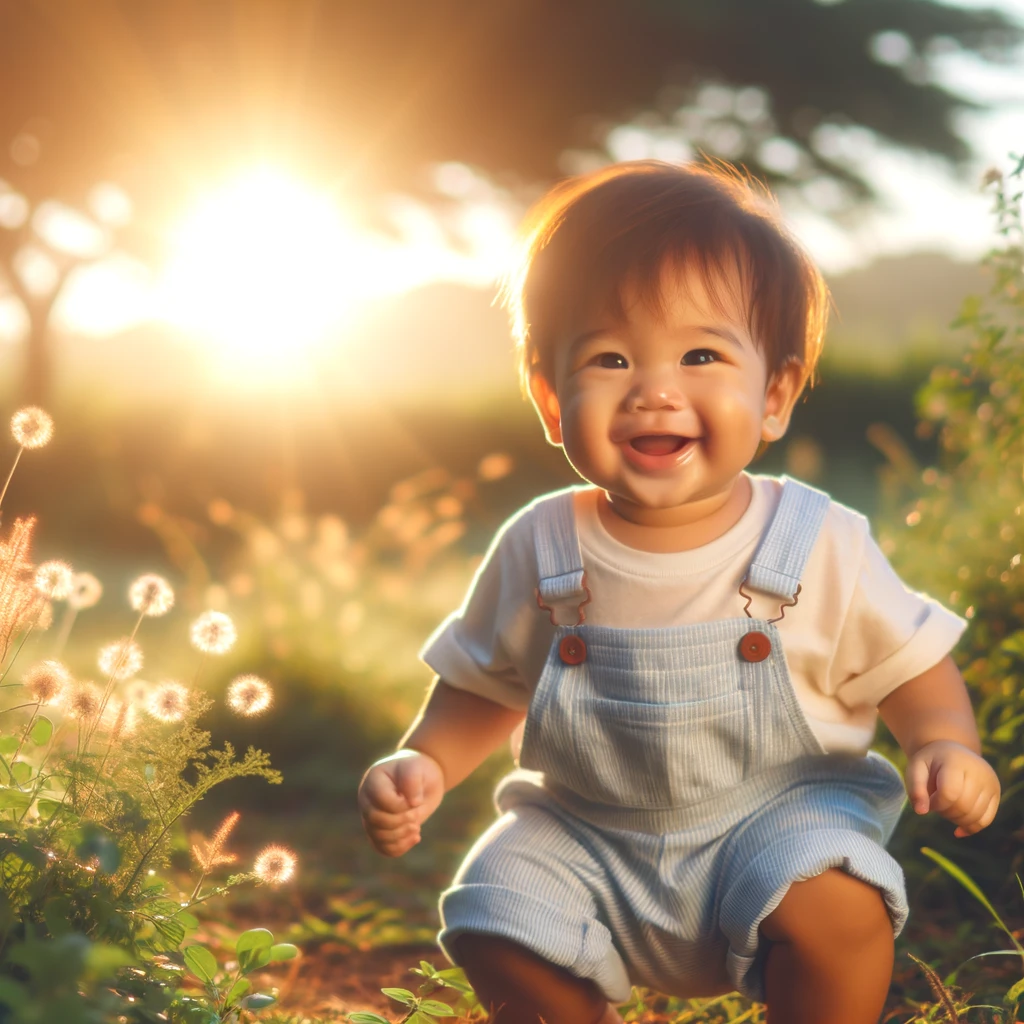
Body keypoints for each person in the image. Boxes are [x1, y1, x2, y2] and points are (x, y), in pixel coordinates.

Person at [357, 160, 1002, 1024]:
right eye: (611, 357)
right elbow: (485, 682)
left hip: (774, 825)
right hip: (586, 833)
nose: (656, 389)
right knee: (490, 913)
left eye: (701, 354)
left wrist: (945, 742)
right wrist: (425, 762)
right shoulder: (542, 544)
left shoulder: (818, 540)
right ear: (552, 401)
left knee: (838, 903)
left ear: (773, 394)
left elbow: (909, 665)